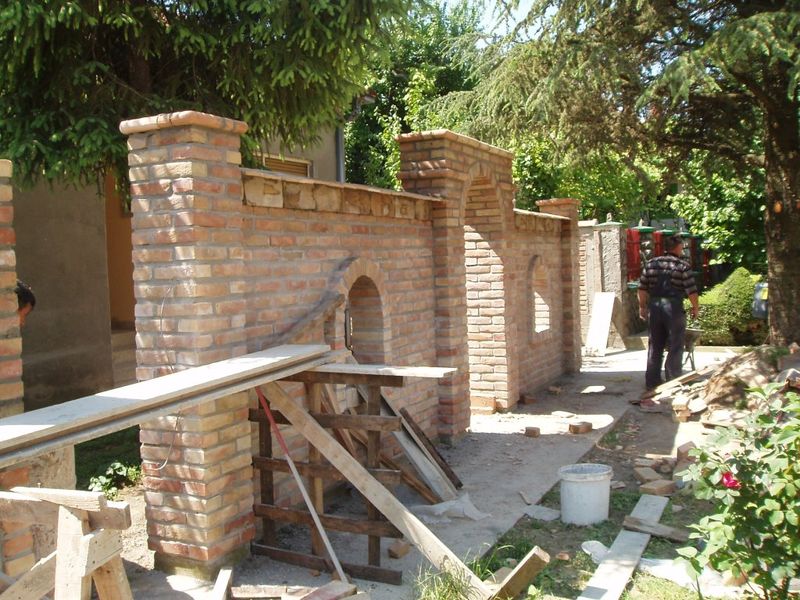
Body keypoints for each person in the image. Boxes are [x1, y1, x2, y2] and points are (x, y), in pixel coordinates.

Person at [637, 235, 699, 391]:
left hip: (655, 307)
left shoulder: (651, 264)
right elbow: (691, 291)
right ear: (678, 247)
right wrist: (695, 307)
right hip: (673, 308)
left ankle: (652, 382)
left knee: (655, 344)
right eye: (681, 246)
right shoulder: (682, 266)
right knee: (675, 343)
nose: (682, 249)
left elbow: (642, 288)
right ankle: (673, 379)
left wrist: (642, 307)